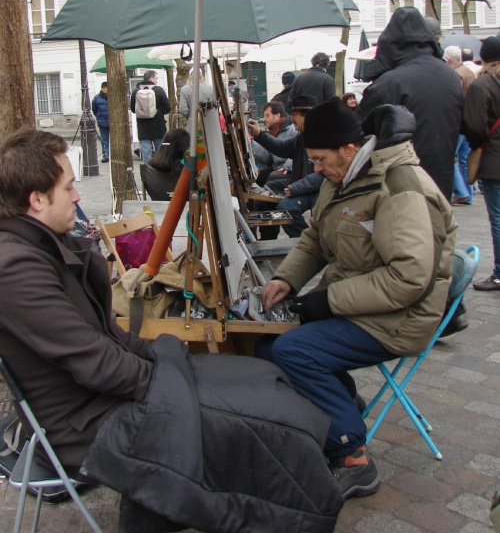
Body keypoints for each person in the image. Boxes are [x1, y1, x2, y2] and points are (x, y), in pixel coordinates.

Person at [0, 128, 342, 533]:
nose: (78, 196)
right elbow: (94, 362)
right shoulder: (16, 268)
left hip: (103, 396)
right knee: (251, 418)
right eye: (70, 187)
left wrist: (164, 361)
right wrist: (169, 381)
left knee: (256, 376)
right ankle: (290, 508)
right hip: (85, 421)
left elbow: (110, 339)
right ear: (37, 200)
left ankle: (300, 469)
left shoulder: (38, 248)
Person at [257, 98, 456, 501]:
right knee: (265, 344)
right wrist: (287, 280)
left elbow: (408, 278)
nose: (315, 169)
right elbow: (315, 238)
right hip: (365, 303)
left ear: (348, 149)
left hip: (401, 316)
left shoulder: (398, 186)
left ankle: (353, 456)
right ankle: (343, 402)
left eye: (318, 159)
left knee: (294, 351)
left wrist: (328, 301)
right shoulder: (343, 174)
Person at [356, 7, 463, 201]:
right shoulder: (450, 75)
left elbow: (358, 135)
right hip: (441, 180)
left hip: (400, 186)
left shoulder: (389, 83)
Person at [247, 95, 322, 239]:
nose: (291, 117)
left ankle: (309, 241)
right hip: (300, 182)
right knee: (268, 189)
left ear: (307, 116)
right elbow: (281, 147)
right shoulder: (301, 136)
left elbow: (321, 177)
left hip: (314, 189)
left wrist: (295, 188)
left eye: (294, 114)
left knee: (287, 208)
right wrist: (259, 134)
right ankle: (268, 239)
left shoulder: (318, 137)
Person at [463, 36, 500, 291]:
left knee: (498, 219)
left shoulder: (484, 85)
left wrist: (477, 144)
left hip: (494, 160)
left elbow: (474, 126)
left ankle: (499, 273)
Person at [443, 45, 477, 205]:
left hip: (457, 122)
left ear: (448, 60)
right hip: (469, 121)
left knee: (449, 157)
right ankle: (468, 194)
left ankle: (462, 191)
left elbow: (452, 99)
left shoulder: (455, 75)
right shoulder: (469, 72)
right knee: (463, 159)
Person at [130, 70, 171, 164]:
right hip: (158, 126)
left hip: (143, 126)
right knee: (160, 152)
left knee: (146, 153)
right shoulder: (159, 90)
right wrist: (159, 112)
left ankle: (148, 173)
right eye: (156, 78)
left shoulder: (136, 91)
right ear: (152, 78)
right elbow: (168, 108)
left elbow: (133, 109)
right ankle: (158, 172)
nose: (156, 80)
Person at [251, 101, 295, 186]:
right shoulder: (274, 131)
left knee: (273, 176)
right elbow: (266, 157)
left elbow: (297, 152)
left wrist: (287, 167)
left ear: (278, 115)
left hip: (289, 170)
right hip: (277, 168)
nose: (264, 119)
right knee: (259, 176)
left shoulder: (292, 130)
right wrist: (250, 142)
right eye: (264, 116)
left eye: (267, 115)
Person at [178, 69, 214, 133]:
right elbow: (213, 106)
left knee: (194, 142)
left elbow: (183, 109)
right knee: (208, 141)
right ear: (201, 75)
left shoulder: (185, 89)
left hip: (193, 123)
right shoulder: (209, 88)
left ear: (190, 76)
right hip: (209, 122)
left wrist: (190, 116)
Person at [91, 80, 109, 162]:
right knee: (104, 139)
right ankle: (106, 155)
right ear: (101, 88)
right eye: (104, 88)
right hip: (103, 122)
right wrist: (99, 117)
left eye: (106, 88)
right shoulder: (97, 98)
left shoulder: (113, 97)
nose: (105, 89)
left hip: (113, 122)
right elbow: (94, 109)